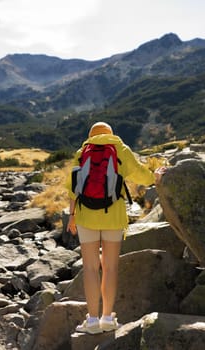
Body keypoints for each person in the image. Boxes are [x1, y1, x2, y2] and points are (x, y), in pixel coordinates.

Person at [66, 121, 161, 334]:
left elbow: (72, 188)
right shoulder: (120, 149)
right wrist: (156, 175)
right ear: (110, 133)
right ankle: (108, 318)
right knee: (110, 267)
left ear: (91, 135)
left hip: (85, 217)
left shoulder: (82, 152)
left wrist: (72, 216)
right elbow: (142, 176)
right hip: (113, 216)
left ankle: (91, 321)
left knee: (90, 268)